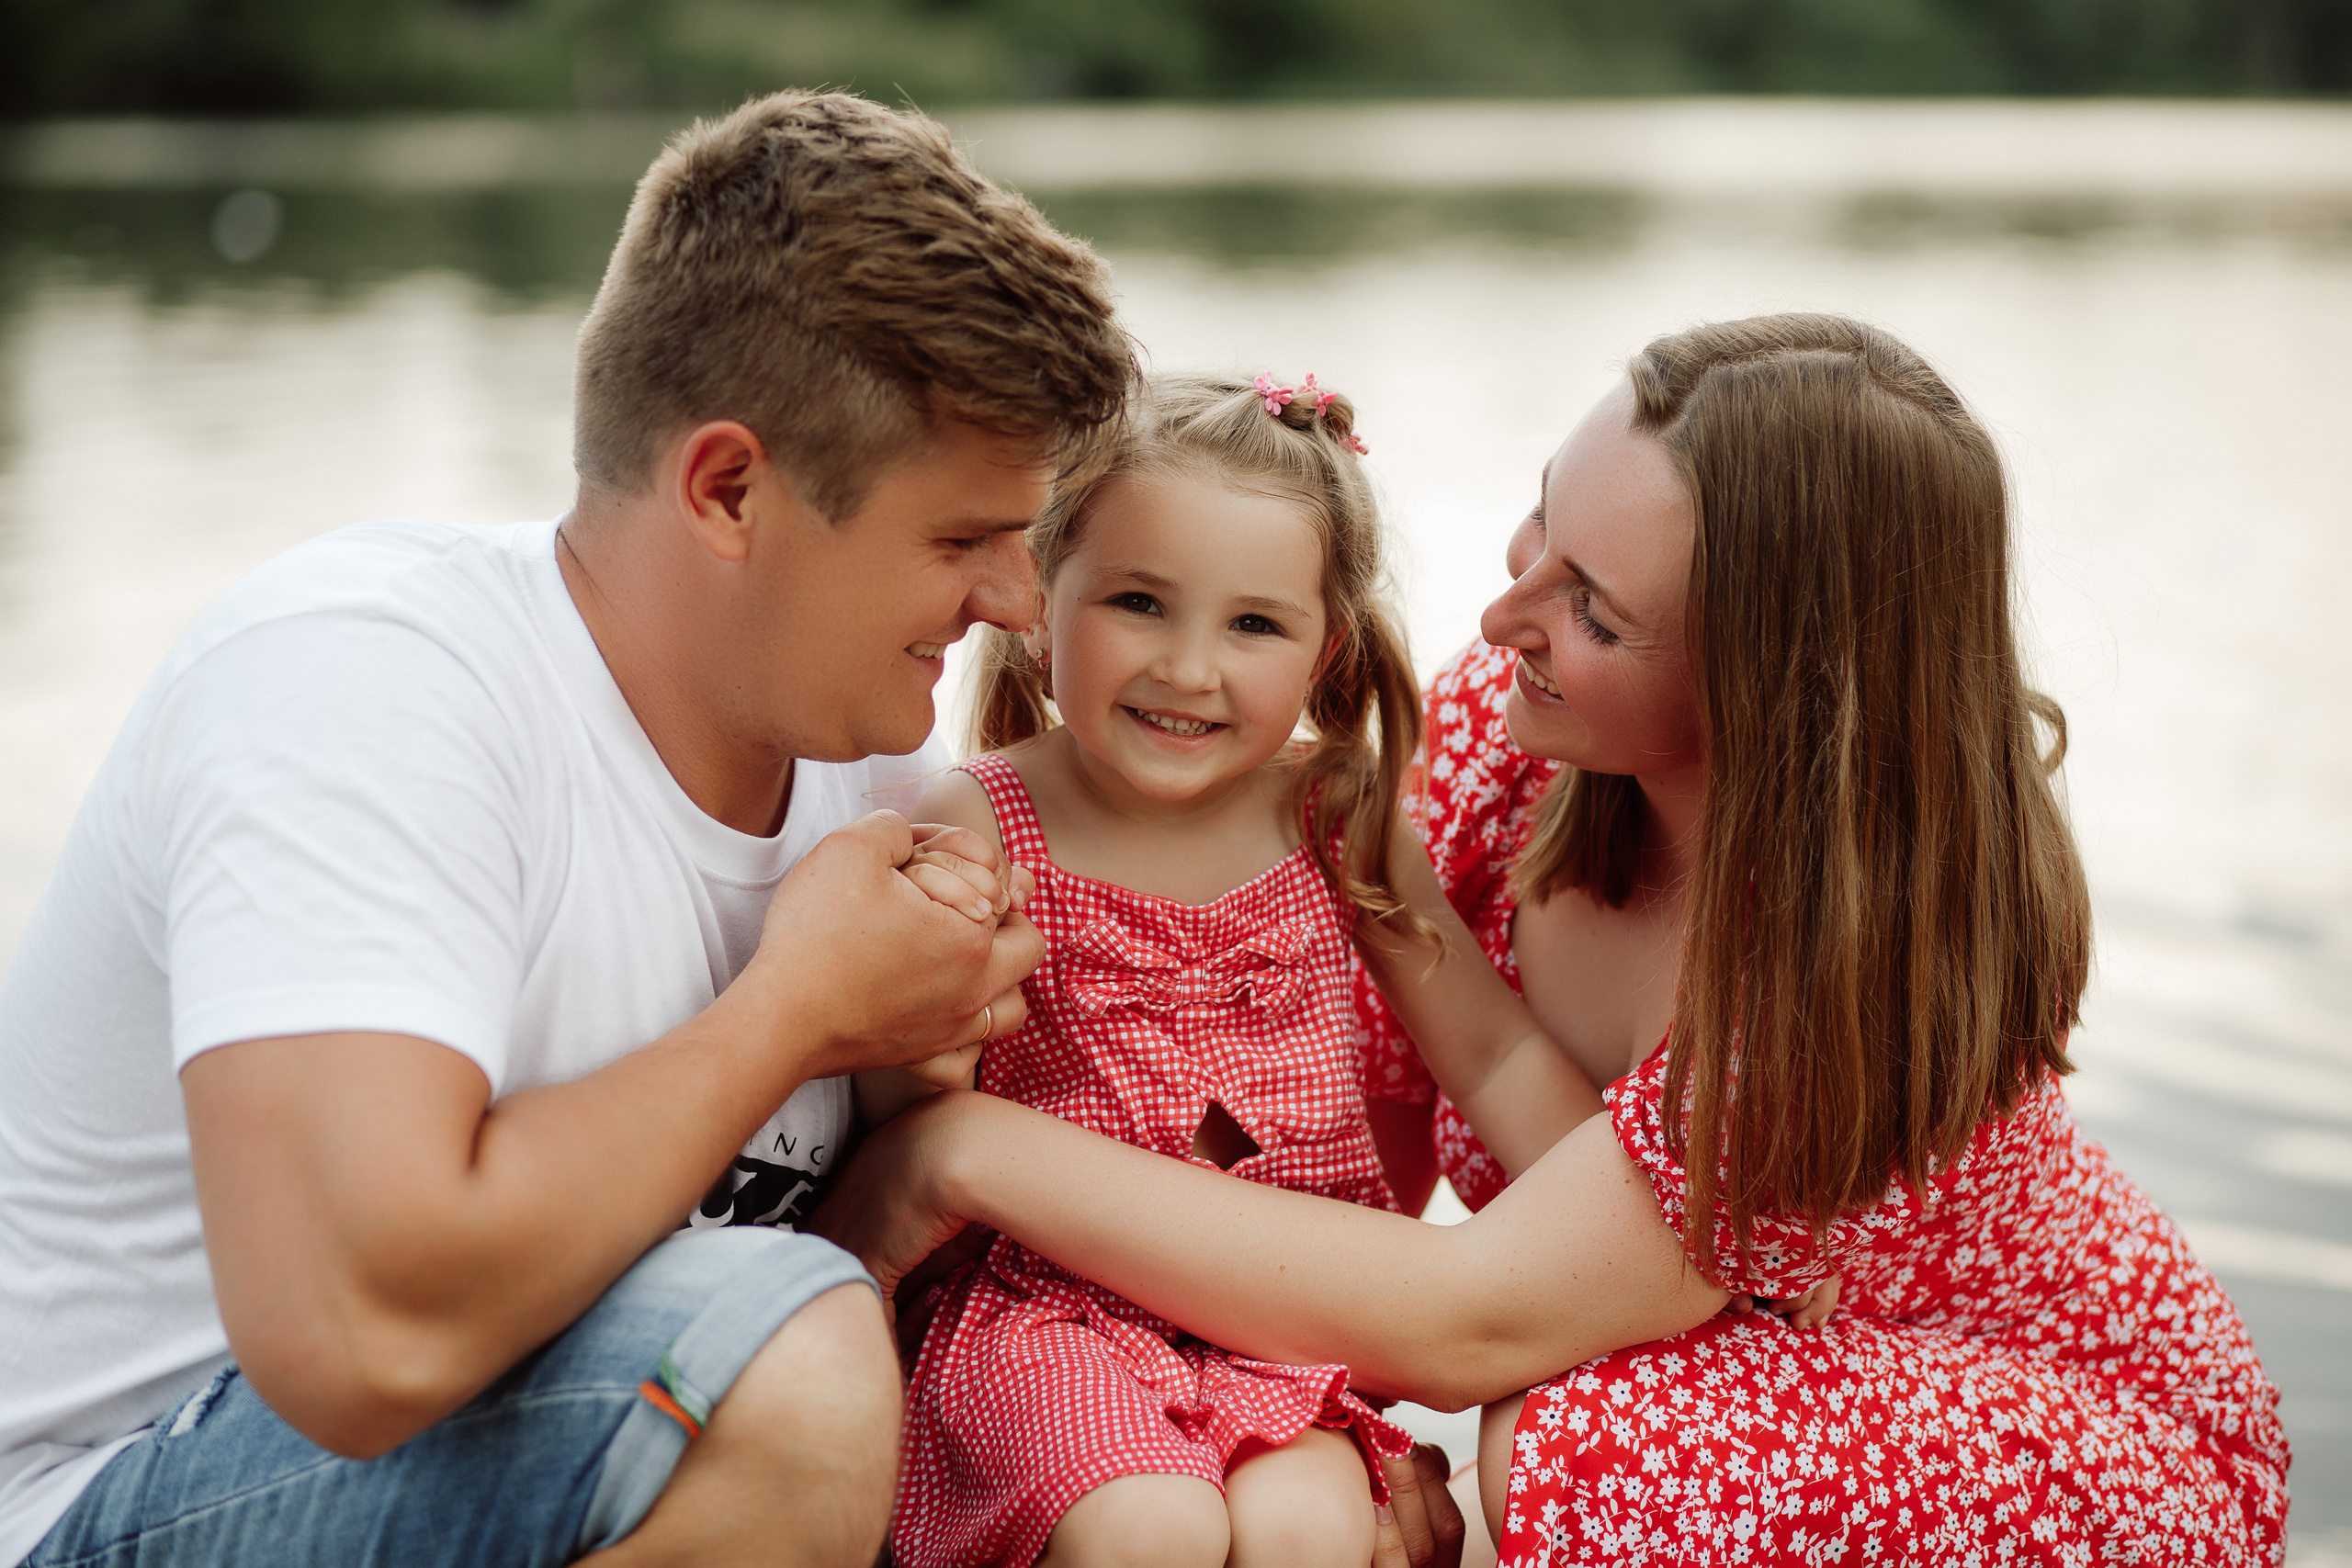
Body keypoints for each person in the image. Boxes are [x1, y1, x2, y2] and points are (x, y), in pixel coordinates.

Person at [814, 314, 2291, 1568]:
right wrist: (1326, 1419)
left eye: (1591, 604)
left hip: (2052, 1414)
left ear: (1771, 684)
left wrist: (961, 1159)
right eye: (1541, 526)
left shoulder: (1831, 978)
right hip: (1684, 1352)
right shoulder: (1506, 741)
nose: (1499, 611)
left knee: (1574, 1445)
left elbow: (1468, 1321)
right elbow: (1331, 1126)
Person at [0, 91, 1134, 1568]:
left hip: (537, 1456)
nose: (1017, 610)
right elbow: (359, 1341)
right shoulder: (366, 682)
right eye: (961, 541)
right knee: (787, 1374)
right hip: (116, 1500)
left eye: (1027, 542)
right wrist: (797, 1013)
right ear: (728, 491)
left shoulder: (871, 781)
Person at [874, 372, 1610, 1568]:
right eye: (1138, 603)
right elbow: (905, 1121)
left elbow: (1492, 1048)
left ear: (1328, 653)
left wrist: (1658, 1220)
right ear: (1036, 605)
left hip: (1286, 1321)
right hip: (1050, 1319)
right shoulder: (985, 821)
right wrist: (932, 1023)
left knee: (1308, 1528)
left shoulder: (1337, 813)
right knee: (1147, 1525)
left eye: (1253, 624)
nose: (1191, 669)